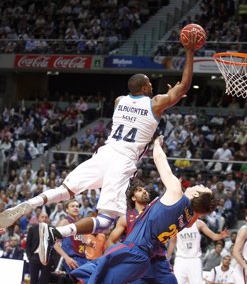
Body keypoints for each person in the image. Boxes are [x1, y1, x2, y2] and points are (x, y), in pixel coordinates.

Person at [0, 36, 197, 265]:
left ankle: (31, 203)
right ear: (144, 88)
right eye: (150, 86)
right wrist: (189, 53)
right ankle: (55, 233)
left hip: (105, 153)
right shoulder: (155, 103)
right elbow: (184, 87)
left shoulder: (118, 101)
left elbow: (139, 106)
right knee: (106, 221)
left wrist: (165, 100)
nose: (153, 89)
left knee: (65, 190)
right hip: (123, 161)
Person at [63, 136, 216, 284]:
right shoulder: (189, 217)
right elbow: (200, 211)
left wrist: (156, 142)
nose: (198, 184)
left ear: (196, 193)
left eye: (201, 186)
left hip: (132, 252)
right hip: (138, 257)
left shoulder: (177, 193)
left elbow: (160, 160)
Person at [106, 180, 192, 284]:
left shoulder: (157, 212)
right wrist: (121, 258)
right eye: (139, 190)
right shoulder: (126, 218)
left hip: (159, 264)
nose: (144, 192)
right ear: (133, 198)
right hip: (138, 265)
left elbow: (173, 235)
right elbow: (110, 240)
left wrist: (167, 256)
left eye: (145, 189)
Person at [25, 210, 53, 284]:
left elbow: (55, 245)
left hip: (47, 257)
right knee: (34, 279)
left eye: (46, 217)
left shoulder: (52, 230)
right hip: (35, 257)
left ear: (48, 219)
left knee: (44, 280)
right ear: (38, 218)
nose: (44, 219)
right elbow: (28, 244)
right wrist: (30, 256)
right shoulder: (32, 229)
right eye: (42, 217)